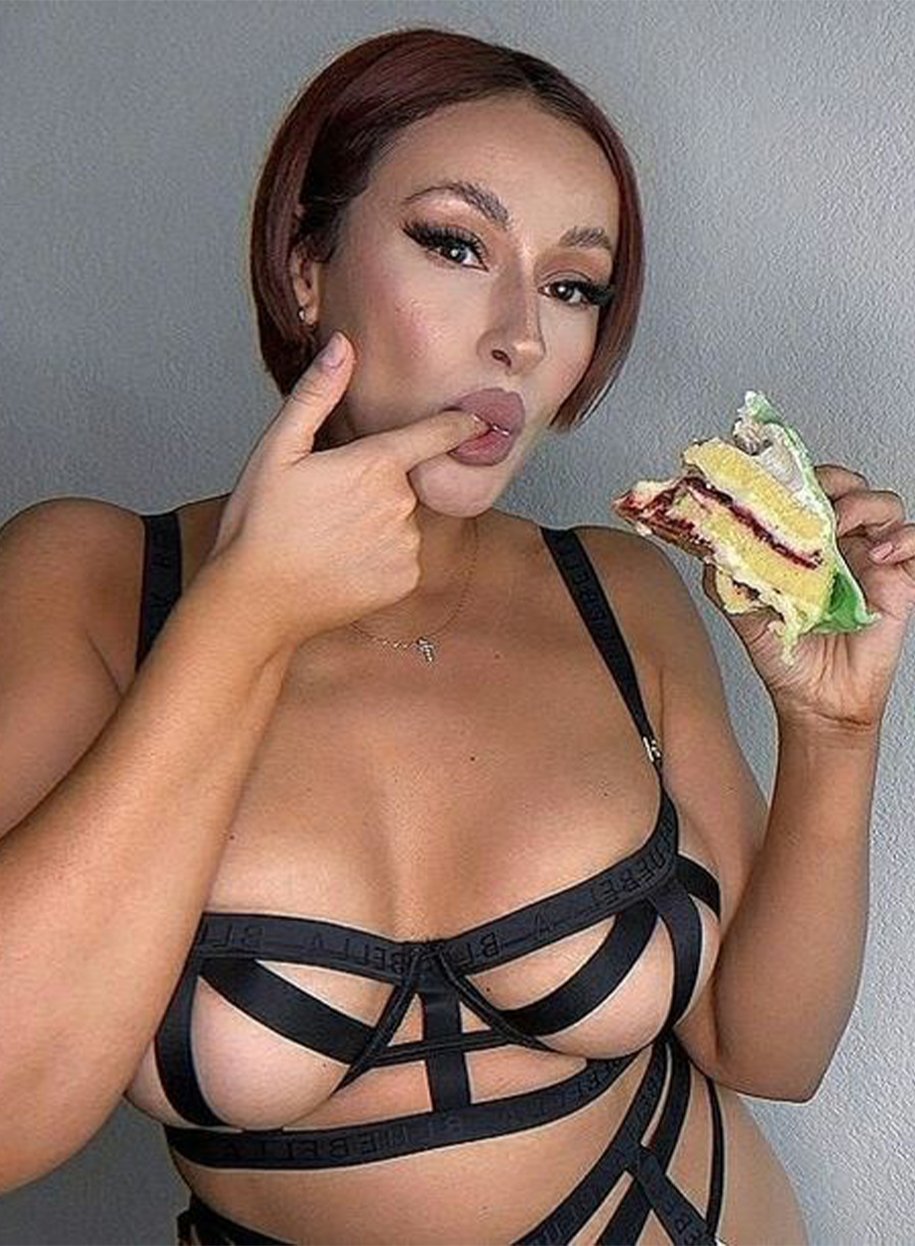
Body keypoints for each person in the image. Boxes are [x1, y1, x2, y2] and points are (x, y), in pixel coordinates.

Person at [0, 24, 912, 1246]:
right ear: (305, 264)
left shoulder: (617, 592)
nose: (520, 336)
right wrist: (241, 618)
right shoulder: (89, 582)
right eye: (454, 244)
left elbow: (770, 1053)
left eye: (572, 285)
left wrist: (835, 730)